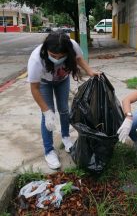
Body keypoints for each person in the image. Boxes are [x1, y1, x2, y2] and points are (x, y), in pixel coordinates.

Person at [27, 32, 100, 169]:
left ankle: (66, 138)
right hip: (44, 83)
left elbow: (78, 59)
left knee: (64, 110)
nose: (57, 59)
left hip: (62, 80)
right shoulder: (36, 59)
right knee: (48, 116)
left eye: (62, 56)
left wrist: (90, 71)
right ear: (46, 50)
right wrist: (46, 110)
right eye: (53, 56)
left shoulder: (73, 46)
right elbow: (35, 88)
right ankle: (49, 151)